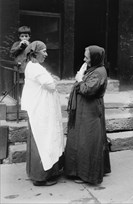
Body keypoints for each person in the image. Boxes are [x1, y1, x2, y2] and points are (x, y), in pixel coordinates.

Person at [65, 45, 111, 185]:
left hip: (90, 111)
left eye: (87, 57)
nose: (84, 59)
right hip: (84, 110)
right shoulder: (92, 69)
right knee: (80, 139)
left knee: (88, 141)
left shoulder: (99, 72)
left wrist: (79, 79)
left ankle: (87, 174)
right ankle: (76, 170)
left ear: (95, 58)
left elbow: (87, 90)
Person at [21, 41, 64, 186]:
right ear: (35, 53)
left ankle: (38, 172)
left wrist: (51, 79)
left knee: (41, 139)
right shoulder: (34, 68)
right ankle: (40, 177)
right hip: (40, 110)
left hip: (41, 108)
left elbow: (49, 81)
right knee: (42, 140)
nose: (46, 54)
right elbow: (51, 84)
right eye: (43, 51)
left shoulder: (35, 66)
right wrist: (53, 79)